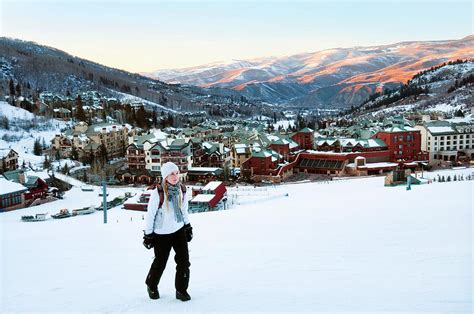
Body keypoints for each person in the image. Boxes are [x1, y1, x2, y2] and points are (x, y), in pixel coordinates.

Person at [143, 161, 193, 301]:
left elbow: (183, 210)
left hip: (179, 230)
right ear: (165, 176)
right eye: (172, 173)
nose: (175, 176)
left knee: (184, 262)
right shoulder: (157, 193)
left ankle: (181, 290)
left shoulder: (182, 190)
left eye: (177, 173)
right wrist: (148, 235)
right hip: (161, 234)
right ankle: (151, 285)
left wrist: (188, 227)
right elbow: (150, 215)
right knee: (160, 262)